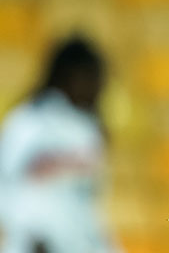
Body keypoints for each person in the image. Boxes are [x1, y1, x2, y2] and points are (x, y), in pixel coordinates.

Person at [0, 34, 120, 253]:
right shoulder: (28, 122)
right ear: (69, 76)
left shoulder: (89, 131)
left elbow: (89, 207)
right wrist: (34, 235)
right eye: (92, 78)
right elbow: (9, 188)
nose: (98, 88)